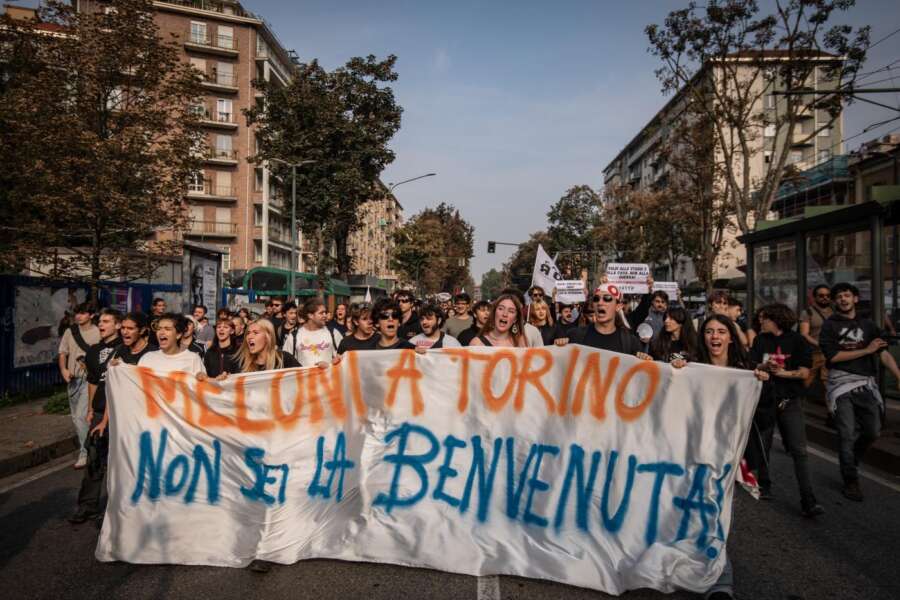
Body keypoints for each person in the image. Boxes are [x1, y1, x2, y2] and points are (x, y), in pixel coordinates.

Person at [690, 313, 769, 600]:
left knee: (716, 514)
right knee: (697, 514)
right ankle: (694, 570)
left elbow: (764, 416)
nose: (714, 337)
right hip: (694, 452)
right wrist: (675, 372)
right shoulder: (692, 367)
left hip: (729, 458)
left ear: (730, 338)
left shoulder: (745, 371)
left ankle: (721, 582)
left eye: (721, 331)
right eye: (709, 331)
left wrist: (762, 384)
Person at [819, 282, 900, 501]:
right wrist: (867, 350)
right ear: (835, 302)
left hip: (865, 385)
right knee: (846, 434)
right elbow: (833, 357)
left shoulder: (869, 325)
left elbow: (882, 353)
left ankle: (851, 460)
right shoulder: (830, 326)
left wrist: (898, 375)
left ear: (855, 298)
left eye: (847, 295)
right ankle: (850, 480)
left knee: (873, 431)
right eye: (839, 297)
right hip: (840, 386)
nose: (843, 299)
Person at [750, 304, 823, 517]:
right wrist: (764, 367)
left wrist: (781, 373)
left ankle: (808, 499)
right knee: (764, 446)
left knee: (799, 451)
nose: (760, 322)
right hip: (765, 401)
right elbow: (752, 365)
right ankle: (764, 485)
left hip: (790, 402)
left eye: (764, 318)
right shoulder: (760, 340)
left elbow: (803, 373)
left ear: (776, 319)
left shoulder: (798, 341)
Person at [68, 308, 122, 525]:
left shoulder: (124, 350)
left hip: (121, 413)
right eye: (100, 321)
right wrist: (90, 409)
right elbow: (92, 381)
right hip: (99, 411)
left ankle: (116, 509)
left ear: (117, 325)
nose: (101, 324)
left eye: (107, 321)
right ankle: (87, 506)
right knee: (94, 459)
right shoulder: (93, 350)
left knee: (118, 462)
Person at [57, 302, 99, 469]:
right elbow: (62, 352)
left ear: (91, 315)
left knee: (82, 417)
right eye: (77, 313)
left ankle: (85, 452)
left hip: (89, 380)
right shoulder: (70, 331)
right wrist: (64, 370)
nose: (78, 316)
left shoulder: (98, 332)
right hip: (73, 379)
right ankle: (93, 446)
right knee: (76, 418)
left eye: (82, 313)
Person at [569, 284, 650, 359]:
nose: (600, 303)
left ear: (618, 306)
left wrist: (646, 361)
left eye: (607, 298)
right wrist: (560, 346)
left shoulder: (631, 343)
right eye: (596, 299)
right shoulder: (575, 336)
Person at [139, 313, 207, 375]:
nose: (161, 332)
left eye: (167, 329)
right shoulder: (147, 358)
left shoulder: (193, 359)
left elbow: (202, 385)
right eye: (159, 328)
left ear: (178, 334)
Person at [799, 285, 833, 406]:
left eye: (828, 296)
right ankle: (797, 407)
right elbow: (804, 334)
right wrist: (819, 344)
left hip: (829, 353)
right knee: (805, 381)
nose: (825, 298)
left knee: (828, 383)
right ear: (815, 297)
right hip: (813, 353)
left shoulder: (834, 312)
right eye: (821, 295)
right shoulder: (808, 312)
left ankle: (831, 413)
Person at [291, 297, 342, 368]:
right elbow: (286, 363)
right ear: (310, 315)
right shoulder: (294, 336)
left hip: (328, 378)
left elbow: (343, 359)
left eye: (325, 312)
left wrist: (330, 365)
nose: (325, 315)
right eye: (321, 313)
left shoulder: (333, 333)